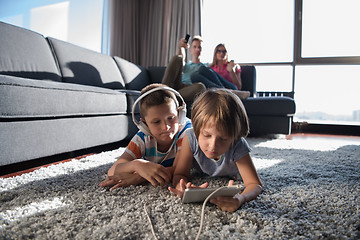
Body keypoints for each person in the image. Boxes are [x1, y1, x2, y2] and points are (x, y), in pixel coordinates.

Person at [169, 89, 263, 212]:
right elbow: (180, 175)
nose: (213, 146)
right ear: (197, 130)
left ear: (233, 137)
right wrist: (182, 186)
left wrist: (241, 198)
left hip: (233, 175)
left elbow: (255, 184)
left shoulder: (238, 144)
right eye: (207, 135)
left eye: (223, 138)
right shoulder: (190, 137)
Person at [99, 83, 192, 190]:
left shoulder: (186, 132)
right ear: (144, 125)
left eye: (171, 118)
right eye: (156, 122)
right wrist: (137, 165)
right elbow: (112, 171)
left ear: (180, 114)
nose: (166, 127)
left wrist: (139, 176)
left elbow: (178, 169)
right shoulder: (142, 138)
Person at [162, 36, 249, 100]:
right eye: (194, 47)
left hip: (193, 88)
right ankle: (161, 91)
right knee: (178, 58)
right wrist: (180, 47)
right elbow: (180, 59)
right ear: (190, 50)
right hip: (179, 85)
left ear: (202, 50)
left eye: (199, 47)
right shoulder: (186, 65)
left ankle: (225, 92)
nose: (197, 49)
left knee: (200, 81)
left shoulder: (206, 67)